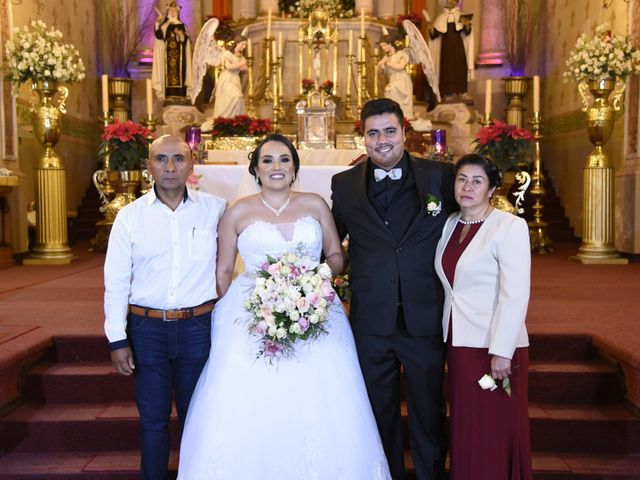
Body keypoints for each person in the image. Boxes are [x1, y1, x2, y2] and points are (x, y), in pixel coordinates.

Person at [177, 133, 391, 479]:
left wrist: (312, 280)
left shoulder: (315, 204)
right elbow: (223, 271)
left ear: (295, 167)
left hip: (316, 305)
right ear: (256, 169)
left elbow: (336, 256)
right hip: (251, 313)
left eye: (284, 160)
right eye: (268, 160)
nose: (277, 167)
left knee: (321, 397)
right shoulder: (238, 211)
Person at [331, 98, 456, 480]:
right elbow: (333, 246)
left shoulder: (441, 177)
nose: (381, 140)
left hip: (424, 315)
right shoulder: (344, 184)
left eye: (389, 131)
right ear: (363, 138)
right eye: (373, 133)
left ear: (405, 132)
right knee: (377, 412)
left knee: (428, 412)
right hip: (371, 318)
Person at [103, 134, 226, 479]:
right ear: (148, 166)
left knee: (197, 420)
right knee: (154, 422)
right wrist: (117, 338)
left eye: (178, 158)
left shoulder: (215, 209)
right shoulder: (130, 217)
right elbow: (116, 281)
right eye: (161, 159)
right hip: (147, 331)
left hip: (197, 329)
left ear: (191, 164)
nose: (170, 167)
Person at [434, 154, 532, 479]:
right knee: (466, 424)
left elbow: (515, 293)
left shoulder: (510, 226)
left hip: (493, 347)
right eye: (462, 179)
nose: (467, 187)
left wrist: (502, 350)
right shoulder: (450, 224)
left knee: (494, 427)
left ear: (491, 189)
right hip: (459, 342)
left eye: (477, 181)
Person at [427, 0, 474, 102]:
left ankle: (462, 92)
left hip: (458, 48)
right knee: (446, 70)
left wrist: (467, 25)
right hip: (446, 49)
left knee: (460, 68)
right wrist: (431, 28)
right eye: (449, 0)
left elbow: (467, 33)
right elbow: (434, 35)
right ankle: (448, 93)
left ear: (456, 2)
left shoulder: (460, 16)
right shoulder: (440, 18)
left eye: (453, 0)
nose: (451, 2)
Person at [151, 1, 193, 100]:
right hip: (167, 58)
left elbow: (187, 41)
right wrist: (157, 22)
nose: (173, 12)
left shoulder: (182, 25)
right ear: (168, 11)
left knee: (181, 74)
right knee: (168, 75)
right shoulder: (165, 25)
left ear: (178, 12)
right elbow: (159, 36)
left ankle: (181, 95)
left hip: (180, 58)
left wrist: (181, 36)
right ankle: (169, 95)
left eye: (175, 10)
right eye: (171, 10)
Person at [378, 31, 414, 120]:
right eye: (382, 46)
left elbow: (400, 66)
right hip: (393, 79)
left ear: (390, 44)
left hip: (402, 79)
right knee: (389, 92)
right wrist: (380, 67)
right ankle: (394, 115)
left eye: (385, 45)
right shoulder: (387, 57)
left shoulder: (401, 54)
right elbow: (381, 69)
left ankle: (403, 116)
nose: (383, 48)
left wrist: (387, 63)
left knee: (391, 89)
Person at [212, 34, 248, 119]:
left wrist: (247, 68)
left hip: (235, 79)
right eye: (243, 44)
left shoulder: (241, 57)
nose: (244, 46)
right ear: (237, 43)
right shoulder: (227, 54)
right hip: (226, 79)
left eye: (245, 44)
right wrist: (242, 63)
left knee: (238, 99)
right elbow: (228, 67)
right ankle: (224, 118)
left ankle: (232, 120)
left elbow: (245, 69)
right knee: (236, 96)